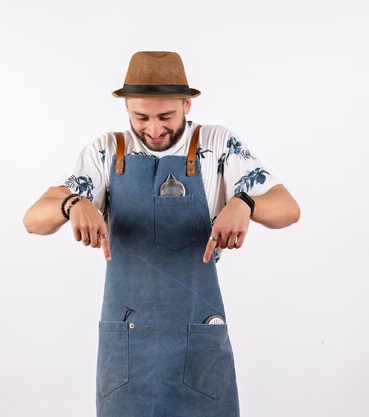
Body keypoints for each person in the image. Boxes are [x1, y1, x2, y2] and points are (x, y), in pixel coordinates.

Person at [23, 51, 300, 417]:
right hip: (127, 346)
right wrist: (72, 204)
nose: (154, 129)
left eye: (166, 116)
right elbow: (33, 219)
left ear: (187, 103)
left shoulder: (216, 146)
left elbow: (288, 208)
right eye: (141, 117)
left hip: (197, 342)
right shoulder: (107, 151)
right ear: (126, 109)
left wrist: (246, 202)